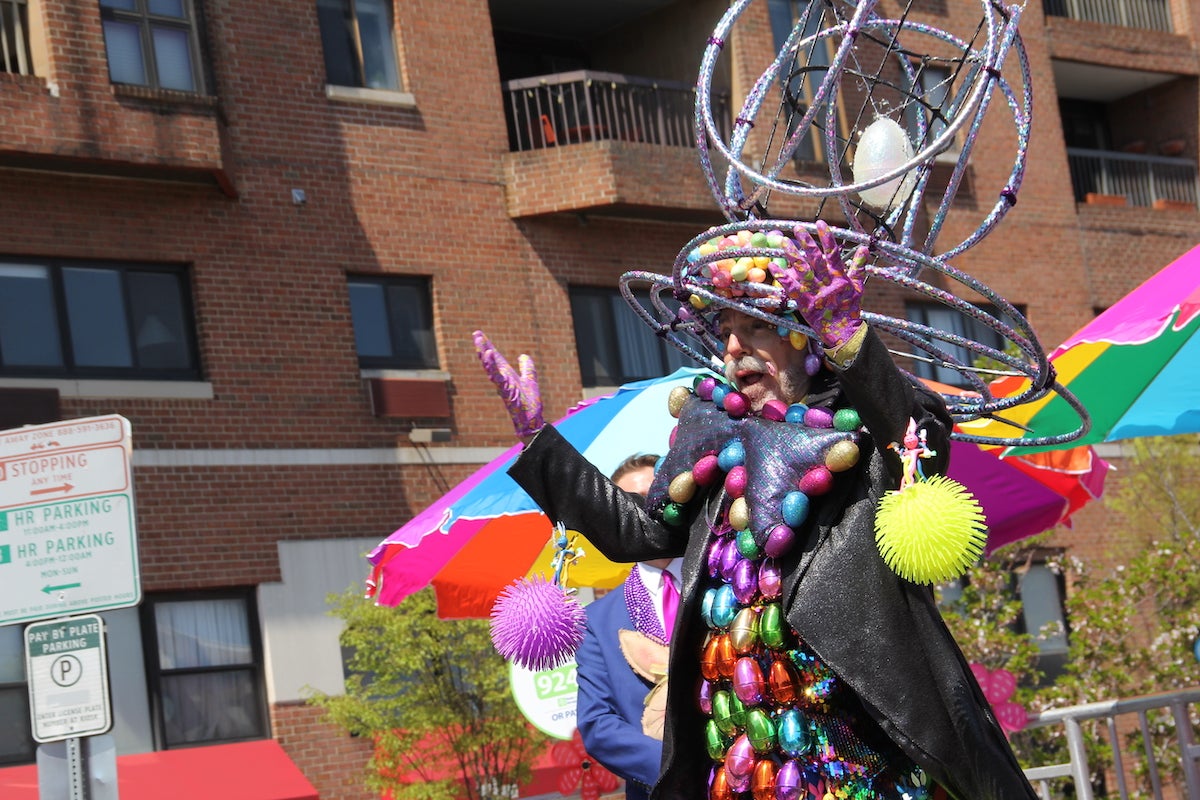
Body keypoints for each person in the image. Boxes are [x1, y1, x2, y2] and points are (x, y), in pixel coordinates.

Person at [477, 222, 1037, 800]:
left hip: (864, 761)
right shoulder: (719, 450)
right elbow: (633, 534)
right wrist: (538, 442)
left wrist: (851, 341)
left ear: (810, 337)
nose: (734, 347)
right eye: (726, 330)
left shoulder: (865, 435)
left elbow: (915, 440)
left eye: (758, 326)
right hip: (744, 768)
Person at [575, 454, 681, 800]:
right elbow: (597, 724)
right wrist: (677, 767)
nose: (646, 511)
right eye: (630, 503)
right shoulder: (597, 621)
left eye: (654, 496)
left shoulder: (726, 580)